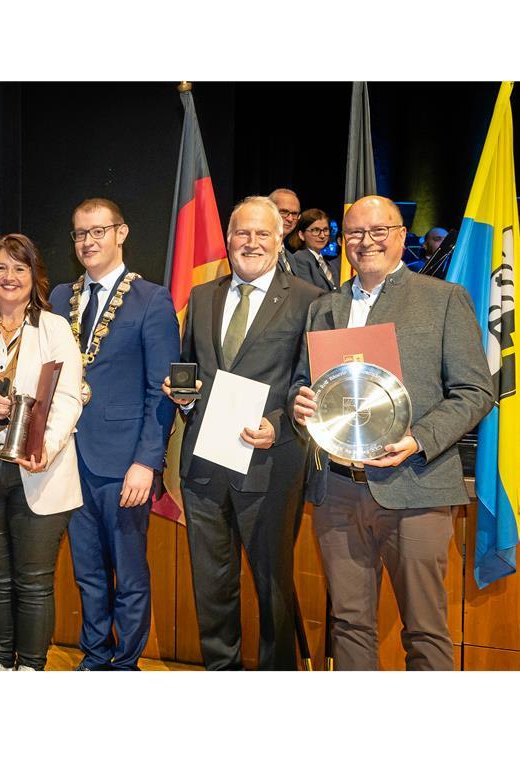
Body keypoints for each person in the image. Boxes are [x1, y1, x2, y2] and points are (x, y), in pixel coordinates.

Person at [291, 195, 493, 670]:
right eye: (356, 233)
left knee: (425, 629)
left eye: (379, 231)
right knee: (349, 624)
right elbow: (306, 382)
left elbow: (474, 390)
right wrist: (299, 402)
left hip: (417, 488)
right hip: (337, 491)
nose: (367, 242)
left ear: (402, 236)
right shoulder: (326, 306)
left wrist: (418, 438)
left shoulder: (443, 299)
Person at [162, 196, 321, 670]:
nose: (250, 242)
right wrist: (183, 394)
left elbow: (311, 380)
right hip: (205, 463)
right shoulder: (204, 296)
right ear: (228, 240)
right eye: (241, 233)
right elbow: (192, 362)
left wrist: (282, 424)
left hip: (270, 465)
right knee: (211, 586)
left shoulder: (310, 300)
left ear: (279, 241)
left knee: (274, 585)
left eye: (262, 234)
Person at [47, 198, 180, 670]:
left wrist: (147, 462)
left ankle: (126, 665)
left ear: (121, 233)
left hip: (124, 463)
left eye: (98, 231)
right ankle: (94, 658)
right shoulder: (60, 298)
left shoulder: (152, 299)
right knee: (87, 573)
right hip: (67, 458)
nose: (88, 242)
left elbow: (159, 390)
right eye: (80, 234)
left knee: (129, 572)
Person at [0, 234, 83, 671]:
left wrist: (47, 448)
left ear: (34, 276)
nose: (10, 277)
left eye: (20, 268)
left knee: (35, 580)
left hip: (37, 468)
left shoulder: (55, 327)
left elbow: (68, 398)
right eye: (1, 268)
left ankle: (32, 668)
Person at [289, 208, 340, 292]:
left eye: (325, 230)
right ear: (301, 235)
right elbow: (308, 293)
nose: (322, 235)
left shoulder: (329, 264)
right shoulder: (299, 259)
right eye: (316, 230)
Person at [269, 188, 302, 272]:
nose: (290, 219)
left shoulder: (290, 257)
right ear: (268, 211)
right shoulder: (259, 251)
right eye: (283, 212)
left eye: (294, 214)